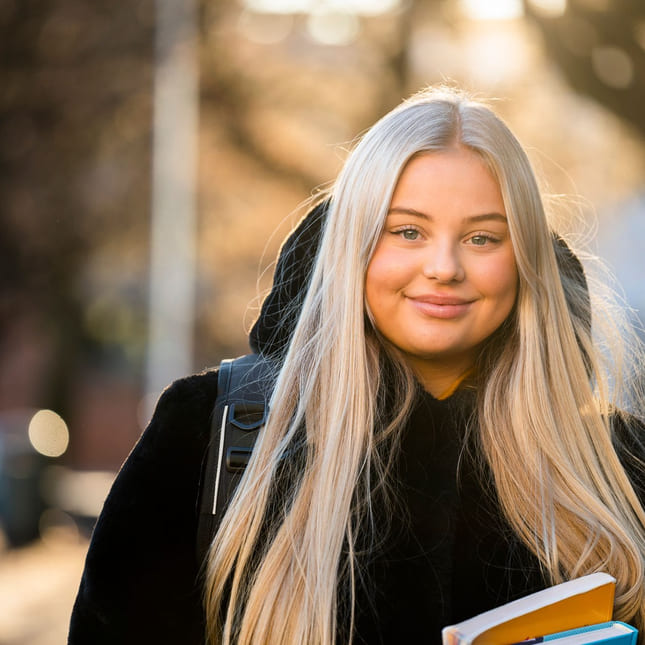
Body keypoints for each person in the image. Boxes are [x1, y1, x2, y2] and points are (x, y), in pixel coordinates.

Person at [68, 86, 645, 644]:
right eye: (408, 231)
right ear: (355, 243)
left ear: (524, 259)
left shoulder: (621, 465)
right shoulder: (204, 441)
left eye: (482, 238)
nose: (444, 267)